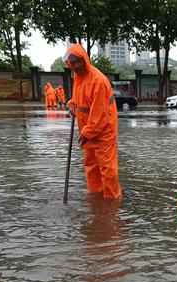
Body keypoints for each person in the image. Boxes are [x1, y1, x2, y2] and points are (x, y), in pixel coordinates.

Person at [64, 43, 121, 199]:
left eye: (77, 62)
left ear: (85, 60)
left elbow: (99, 115)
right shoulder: (77, 77)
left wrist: (86, 134)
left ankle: (111, 201)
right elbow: (78, 98)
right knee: (91, 166)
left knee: (107, 169)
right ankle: (96, 198)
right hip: (88, 129)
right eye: (72, 63)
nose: (75, 66)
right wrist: (72, 105)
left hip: (104, 129)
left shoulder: (99, 82)